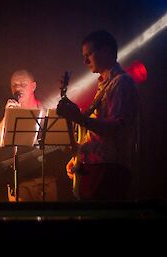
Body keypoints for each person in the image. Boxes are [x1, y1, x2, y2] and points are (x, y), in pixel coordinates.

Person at [57, 30, 139, 201]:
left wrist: (79, 118)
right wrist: (81, 155)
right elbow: (98, 133)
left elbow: (116, 129)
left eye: (89, 54)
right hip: (98, 170)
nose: (85, 61)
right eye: (84, 55)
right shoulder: (104, 85)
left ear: (107, 51)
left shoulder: (121, 83)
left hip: (109, 172)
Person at [0, 69, 71, 202]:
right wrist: (7, 116)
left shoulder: (47, 109)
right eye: (14, 85)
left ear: (33, 86)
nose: (18, 88)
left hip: (47, 182)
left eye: (23, 84)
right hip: (19, 185)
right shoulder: (7, 112)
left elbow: (64, 144)